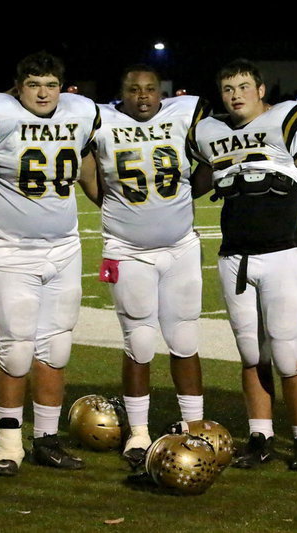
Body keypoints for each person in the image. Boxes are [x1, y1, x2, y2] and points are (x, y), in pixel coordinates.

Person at [0, 51, 101, 476]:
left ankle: (46, 440)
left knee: (57, 349)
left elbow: (89, 172)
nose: (43, 93)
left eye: (50, 84)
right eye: (34, 85)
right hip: (9, 252)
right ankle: (8, 443)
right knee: (15, 352)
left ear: (61, 86)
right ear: (18, 86)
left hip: (65, 249)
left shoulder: (81, 112)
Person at [189, 59, 297, 471]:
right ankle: (260, 436)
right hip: (234, 256)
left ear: (260, 88)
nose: (236, 94)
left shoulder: (286, 121)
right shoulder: (210, 133)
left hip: (284, 255)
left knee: (288, 354)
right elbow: (194, 185)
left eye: (243, 86)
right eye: (228, 88)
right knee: (252, 354)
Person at [92, 65, 210, 466]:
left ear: (163, 92)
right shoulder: (100, 120)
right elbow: (92, 182)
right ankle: (139, 433)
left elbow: (211, 158)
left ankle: (195, 428)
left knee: (184, 340)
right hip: (128, 249)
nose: (143, 96)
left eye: (150, 89)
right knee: (139, 342)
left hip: (180, 247)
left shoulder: (184, 114)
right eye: (133, 89)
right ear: (120, 93)